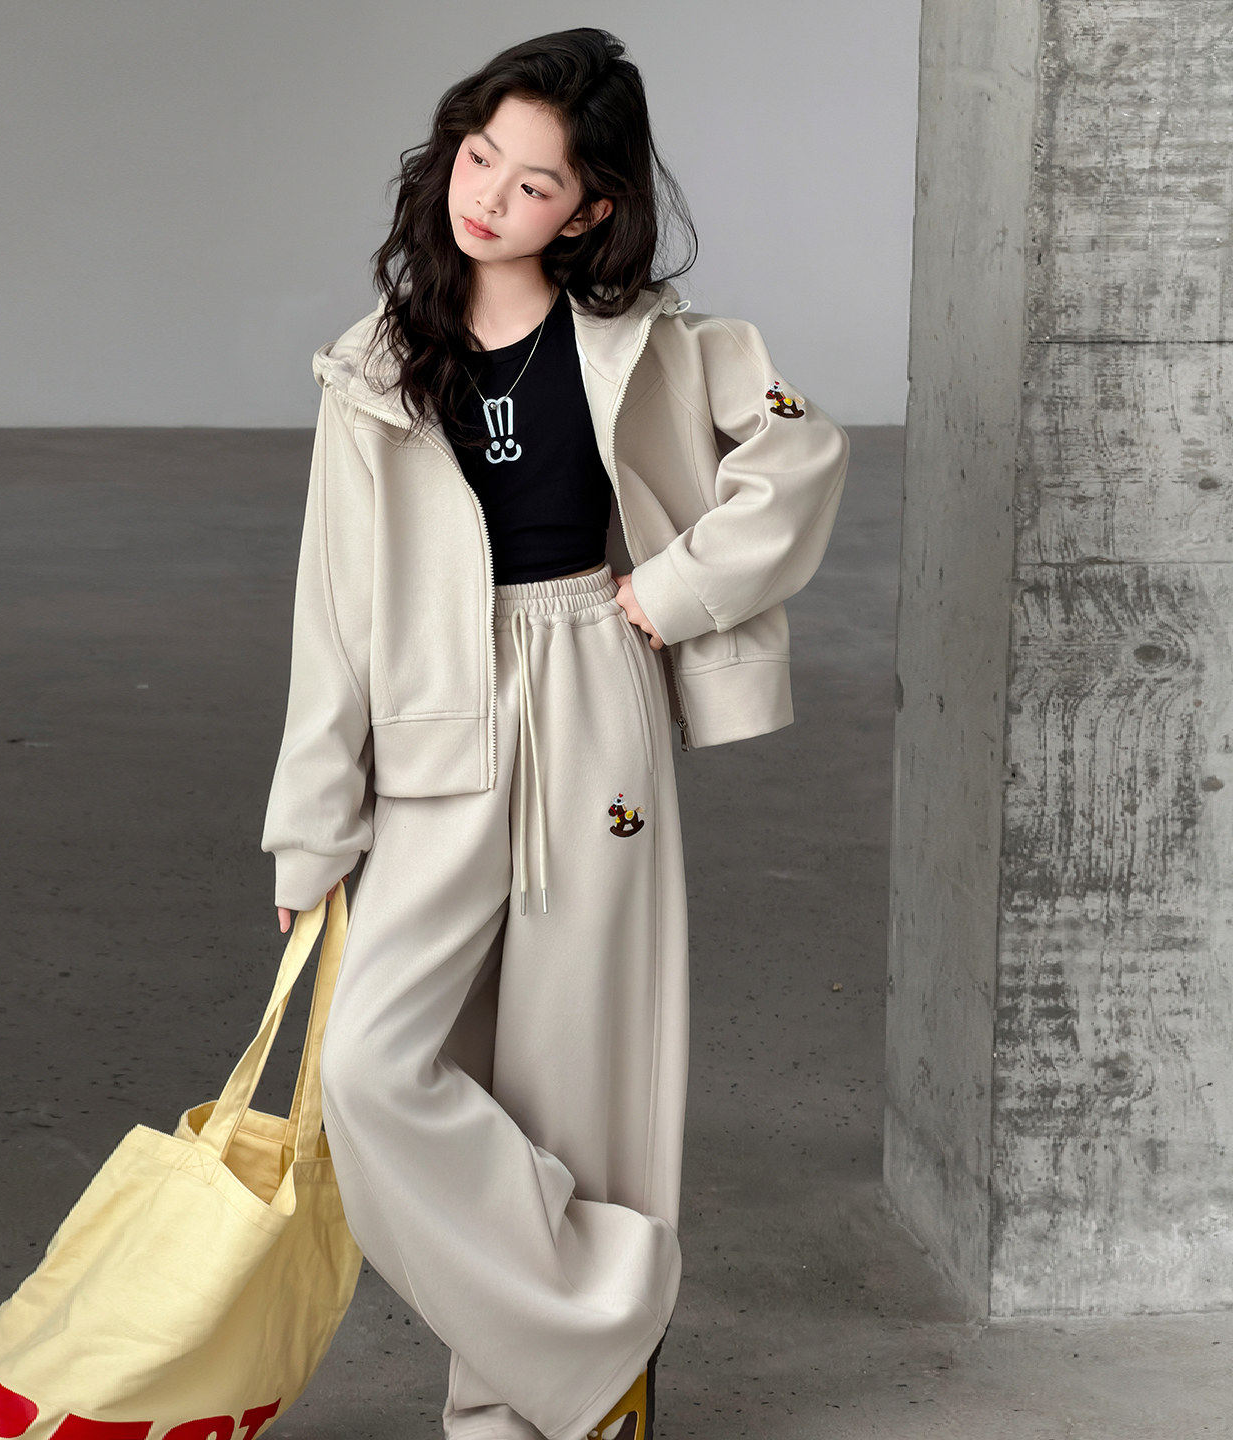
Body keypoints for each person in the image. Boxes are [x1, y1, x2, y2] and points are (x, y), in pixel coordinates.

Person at [260, 27, 849, 1440]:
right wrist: (312, 825)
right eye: (479, 160)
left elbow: (802, 452)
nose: (490, 198)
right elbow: (332, 614)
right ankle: (604, 1316)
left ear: (588, 209)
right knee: (372, 1069)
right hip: (435, 713)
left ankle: (535, 1410)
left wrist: (672, 590)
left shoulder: (654, 343)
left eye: (532, 184)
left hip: (593, 686)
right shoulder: (374, 367)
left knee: (579, 1071)